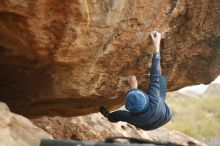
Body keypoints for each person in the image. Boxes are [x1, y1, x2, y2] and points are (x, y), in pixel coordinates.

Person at [99, 31, 172, 130]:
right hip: (165, 116)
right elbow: (155, 75)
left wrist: (108, 115)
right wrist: (156, 46)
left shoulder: (132, 117)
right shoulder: (154, 99)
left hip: (146, 125)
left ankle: (107, 115)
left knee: (119, 115)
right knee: (160, 79)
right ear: (147, 98)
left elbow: (115, 116)